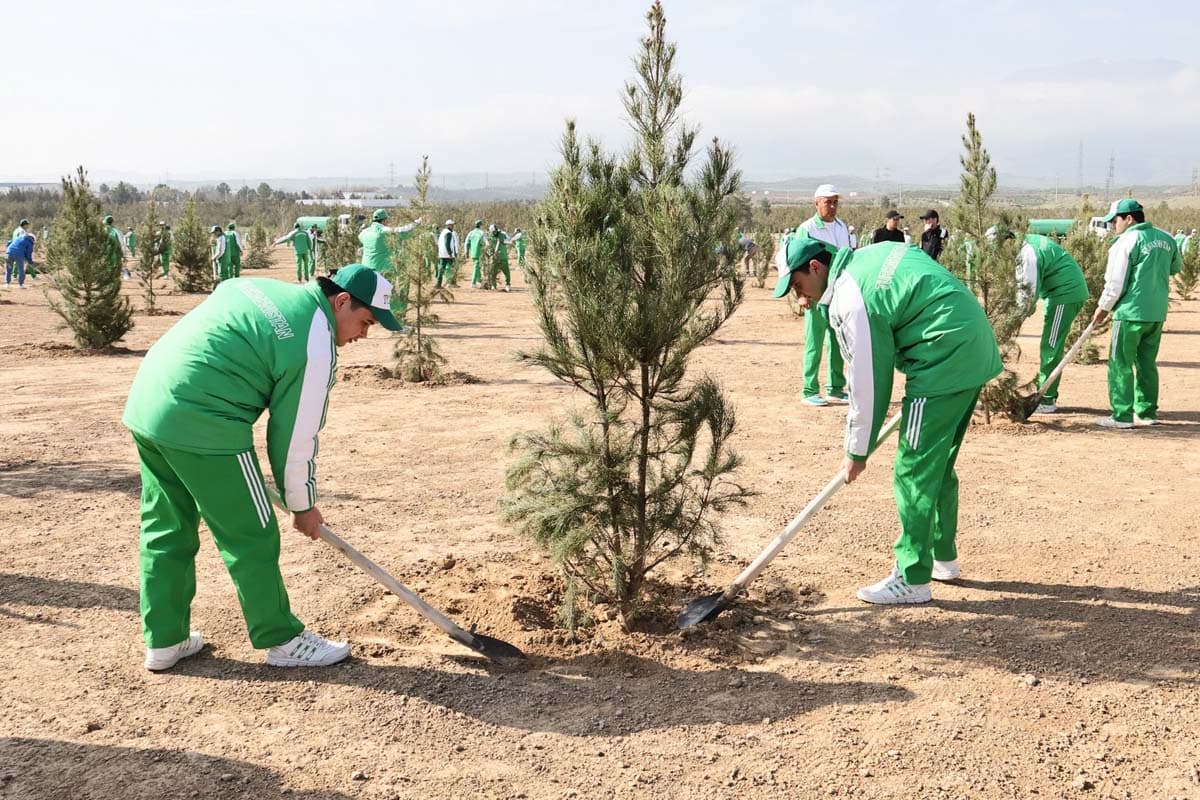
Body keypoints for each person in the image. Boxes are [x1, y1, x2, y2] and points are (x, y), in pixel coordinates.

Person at [122, 264, 403, 671]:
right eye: (366, 322)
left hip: (149, 403)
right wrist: (302, 505)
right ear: (341, 301)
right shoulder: (315, 341)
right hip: (206, 421)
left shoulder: (257, 286)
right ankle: (282, 638)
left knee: (167, 526)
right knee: (252, 533)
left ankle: (165, 640)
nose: (362, 335)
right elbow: (294, 437)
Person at [774, 238, 1001, 604]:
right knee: (935, 464)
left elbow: (868, 382)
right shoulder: (867, 257)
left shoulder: (851, 300)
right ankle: (943, 557)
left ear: (816, 268)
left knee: (913, 469)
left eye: (799, 287)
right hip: (973, 345)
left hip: (941, 358)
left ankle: (912, 577)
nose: (801, 300)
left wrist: (856, 451)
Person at [1089, 199, 1182, 429]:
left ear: (1128, 218)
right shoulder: (1166, 238)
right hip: (1156, 313)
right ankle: (1147, 412)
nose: (1113, 225)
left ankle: (1121, 416)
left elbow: (1115, 283)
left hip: (1129, 314)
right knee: (1147, 363)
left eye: (1115, 220)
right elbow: (1175, 268)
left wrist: (1103, 307)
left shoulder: (1126, 241)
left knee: (1119, 363)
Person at [1016, 232, 1090, 414]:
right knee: (1051, 342)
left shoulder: (1027, 253)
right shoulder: (1026, 243)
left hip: (1065, 294)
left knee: (1051, 343)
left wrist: (1013, 320)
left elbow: (1028, 293)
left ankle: (1046, 399)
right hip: (1059, 293)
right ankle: (1047, 395)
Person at [795, 184, 850, 406]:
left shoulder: (842, 227)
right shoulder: (807, 228)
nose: (832, 206)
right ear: (816, 203)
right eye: (828, 202)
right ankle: (809, 390)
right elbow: (796, 264)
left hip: (838, 293)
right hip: (816, 294)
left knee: (838, 340)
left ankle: (836, 388)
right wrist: (802, 295)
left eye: (835, 201)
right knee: (814, 342)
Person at [358, 208, 421, 320]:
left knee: (371, 296)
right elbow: (403, 231)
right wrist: (417, 222)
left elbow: (361, 239)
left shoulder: (364, 233)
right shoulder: (383, 231)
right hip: (383, 270)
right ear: (384, 220)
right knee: (390, 296)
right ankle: (396, 320)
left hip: (366, 269)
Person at [103, 215, 129, 279]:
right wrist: (124, 255)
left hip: (106, 254)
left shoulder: (102, 231)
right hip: (116, 254)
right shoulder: (117, 231)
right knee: (114, 271)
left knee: (107, 270)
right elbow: (122, 243)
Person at [489, 225, 513, 292]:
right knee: (493, 272)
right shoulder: (490, 236)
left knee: (506, 272)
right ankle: (493, 285)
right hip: (494, 258)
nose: (494, 232)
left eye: (495, 231)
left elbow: (510, 241)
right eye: (493, 232)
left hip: (503, 256)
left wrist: (503, 241)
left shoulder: (503, 234)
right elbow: (488, 245)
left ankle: (507, 285)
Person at [436, 220, 459, 288]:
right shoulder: (448, 233)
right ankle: (451, 283)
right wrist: (450, 253)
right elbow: (447, 244)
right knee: (453, 268)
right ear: (448, 225)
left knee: (441, 269)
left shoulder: (443, 232)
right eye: (452, 225)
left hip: (442, 253)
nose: (453, 226)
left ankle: (438, 284)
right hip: (447, 254)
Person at [465, 219, 487, 288]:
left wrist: (466, 251)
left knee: (477, 267)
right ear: (480, 225)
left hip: (473, 253)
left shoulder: (470, 233)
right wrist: (485, 250)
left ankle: (479, 281)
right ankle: (473, 282)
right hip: (479, 252)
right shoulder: (481, 232)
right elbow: (487, 243)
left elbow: (466, 243)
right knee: (476, 267)